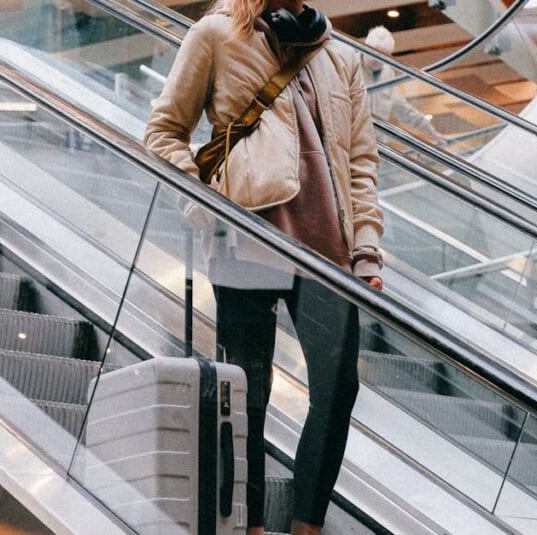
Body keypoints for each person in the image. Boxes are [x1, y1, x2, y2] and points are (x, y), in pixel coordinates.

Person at [143, 1, 383, 534]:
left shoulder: (338, 56)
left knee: (338, 388)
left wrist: (365, 248)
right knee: (248, 391)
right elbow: (164, 131)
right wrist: (207, 209)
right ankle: (247, 524)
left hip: (326, 255)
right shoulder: (216, 34)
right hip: (244, 240)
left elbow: (361, 162)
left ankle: (306, 524)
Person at [363, 25, 448, 145]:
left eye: (385, 56)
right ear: (366, 48)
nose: (380, 60)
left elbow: (403, 108)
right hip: (354, 141)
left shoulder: (387, 74)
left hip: (377, 145)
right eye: (376, 54)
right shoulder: (351, 67)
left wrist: (432, 133)